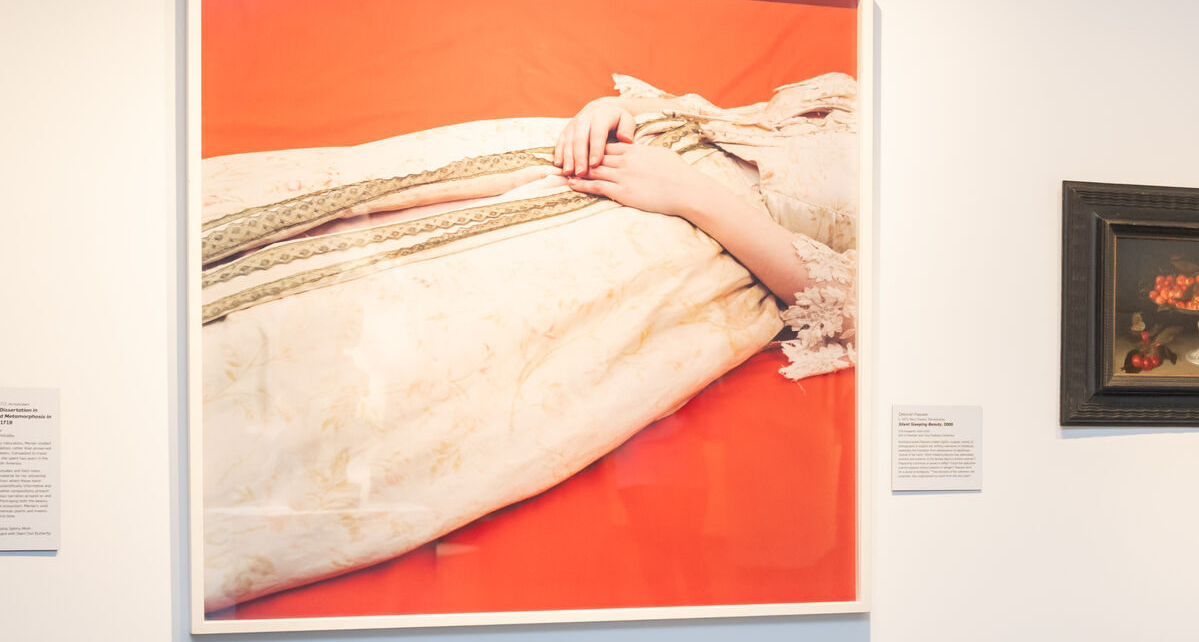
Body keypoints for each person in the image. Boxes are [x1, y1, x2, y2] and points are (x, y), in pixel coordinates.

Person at [197, 74, 861, 611]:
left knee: (398, 333)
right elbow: (723, 119)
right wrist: (613, 111)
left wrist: (692, 197)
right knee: (353, 196)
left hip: (694, 248)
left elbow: (847, 305)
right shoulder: (860, 96)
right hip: (626, 153)